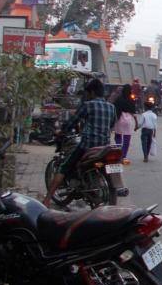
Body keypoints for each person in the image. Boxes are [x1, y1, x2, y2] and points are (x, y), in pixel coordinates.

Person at [44, 78, 116, 207]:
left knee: (64, 167)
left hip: (88, 146)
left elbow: (73, 121)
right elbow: (111, 125)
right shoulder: (111, 107)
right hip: (104, 147)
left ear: (92, 92)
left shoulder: (88, 105)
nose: (87, 95)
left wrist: (61, 131)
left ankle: (47, 199)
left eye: (88, 93)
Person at [113, 84, 138, 158]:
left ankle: (118, 153)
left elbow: (115, 110)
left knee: (118, 136)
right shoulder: (131, 100)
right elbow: (133, 113)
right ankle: (123, 155)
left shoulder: (118, 99)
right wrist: (136, 124)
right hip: (128, 120)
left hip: (119, 119)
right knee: (127, 138)